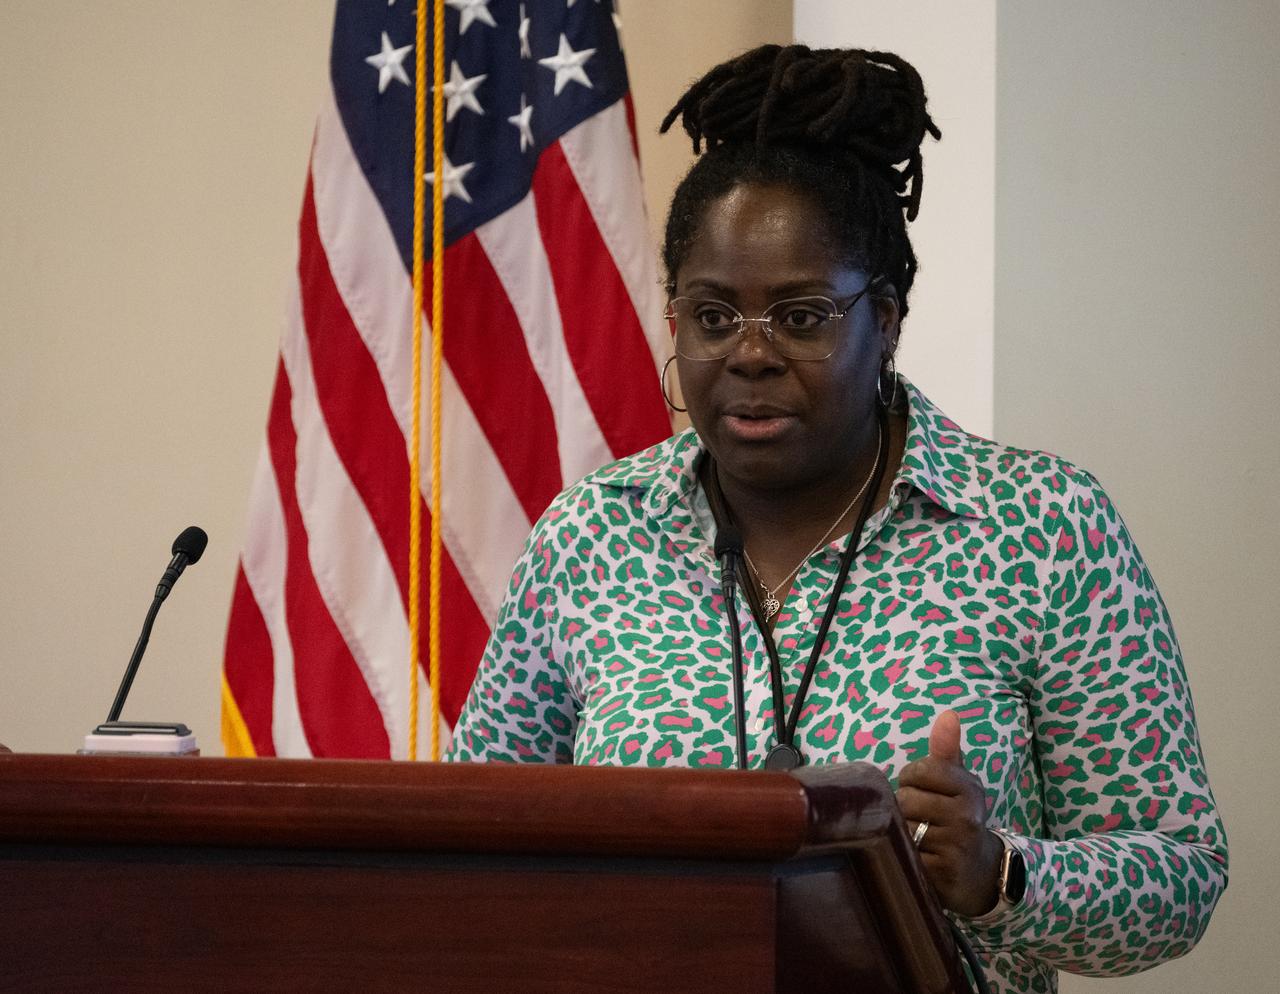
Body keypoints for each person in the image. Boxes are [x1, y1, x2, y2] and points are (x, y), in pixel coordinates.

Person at [447, 44, 1227, 993]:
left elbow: (1179, 877)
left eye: (803, 317)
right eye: (712, 316)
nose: (751, 354)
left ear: (887, 318)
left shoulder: (1044, 527)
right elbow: (471, 839)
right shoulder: (591, 537)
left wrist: (1002, 875)